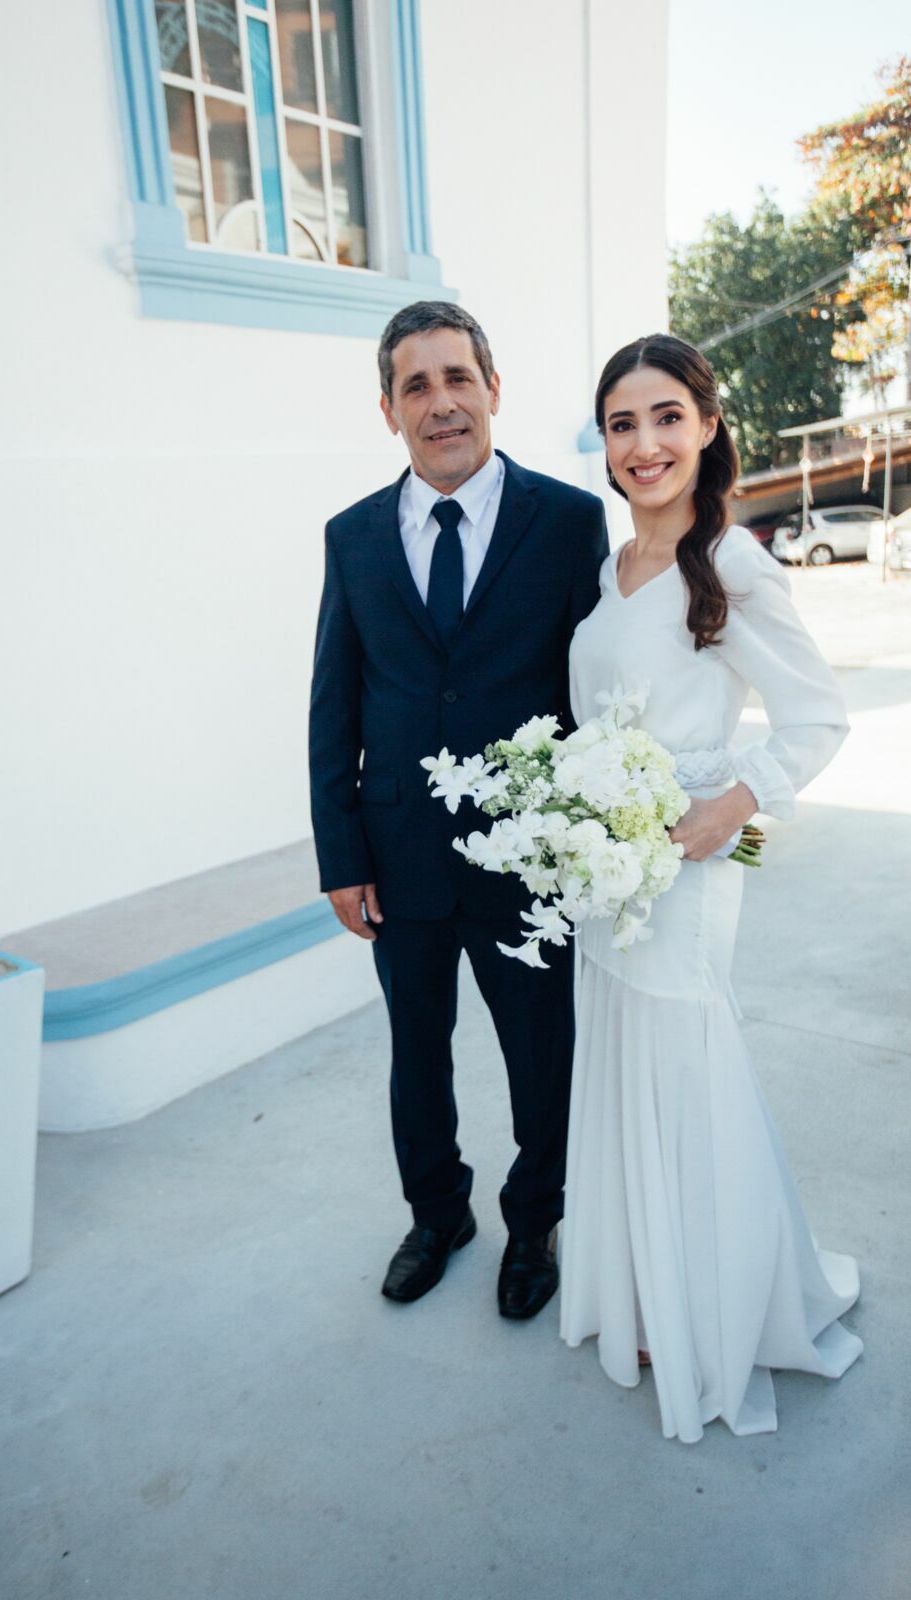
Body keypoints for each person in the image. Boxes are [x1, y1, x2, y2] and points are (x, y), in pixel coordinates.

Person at [559, 332, 863, 1441]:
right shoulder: (614, 567)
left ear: (707, 424)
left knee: (687, 1069)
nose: (642, 444)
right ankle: (644, 1287)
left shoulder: (728, 562)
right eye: (621, 423)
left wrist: (727, 809)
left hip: (686, 863)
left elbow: (815, 718)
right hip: (606, 872)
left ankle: (713, 1308)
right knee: (627, 1062)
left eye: (664, 418)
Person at [309, 301, 607, 1317]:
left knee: (540, 1052)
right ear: (387, 409)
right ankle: (437, 1213)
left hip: (528, 858)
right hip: (399, 857)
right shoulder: (350, 537)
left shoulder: (567, 523)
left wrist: (594, 834)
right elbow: (332, 703)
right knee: (415, 1052)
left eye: (456, 378)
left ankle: (535, 1221)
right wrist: (339, 852)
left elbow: (590, 693)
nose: (440, 403)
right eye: (415, 385)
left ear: (491, 389)